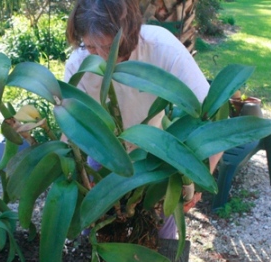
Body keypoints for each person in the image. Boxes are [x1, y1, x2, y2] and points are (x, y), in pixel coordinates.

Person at [63, 0, 222, 239]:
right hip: (103, 152)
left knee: (162, 235)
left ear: (127, 33)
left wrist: (199, 179)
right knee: (94, 230)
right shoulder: (79, 64)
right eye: (89, 47)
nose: (99, 57)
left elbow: (211, 116)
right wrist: (79, 176)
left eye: (106, 47)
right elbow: (70, 134)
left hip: (155, 153)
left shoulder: (161, 47)